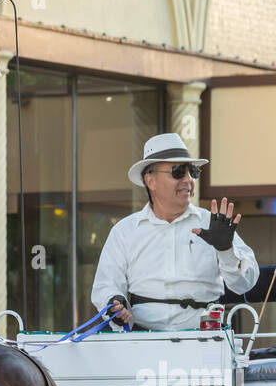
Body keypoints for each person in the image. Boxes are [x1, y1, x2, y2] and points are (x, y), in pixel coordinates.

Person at [91, 132, 259, 330]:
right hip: (143, 343)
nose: (188, 179)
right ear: (150, 181)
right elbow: (105, 286)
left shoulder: (212, 224)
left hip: (204, 340)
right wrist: (115, 305)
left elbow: (245, 285)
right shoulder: (125, 231)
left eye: (193, 171)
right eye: (178, 171)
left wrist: (226, 251)